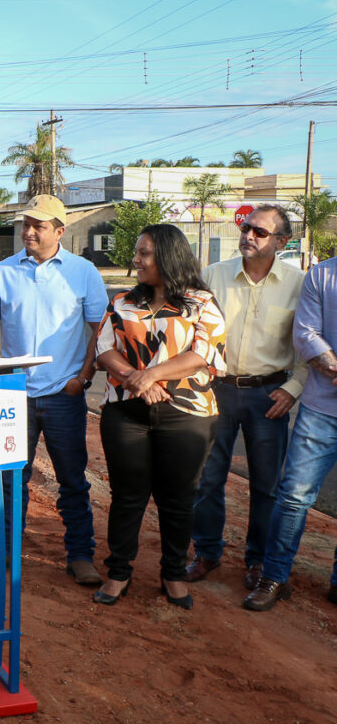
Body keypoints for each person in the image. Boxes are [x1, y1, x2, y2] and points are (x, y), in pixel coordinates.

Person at [0, 194, 109, 585]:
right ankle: (4, 550)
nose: (29, 232)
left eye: (39, 226)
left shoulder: (83, 272)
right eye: (25, 225)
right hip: (15, 395)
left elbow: (99, 330)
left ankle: (80, 556)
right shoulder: (3, 271)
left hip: (64, 396)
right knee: (11, 476)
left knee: (72, 480)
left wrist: (82, 378)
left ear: (60, 231)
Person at [93, 224, 225, 610]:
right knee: (127, 497)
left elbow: (203, 353)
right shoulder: (121, 302)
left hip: (186, 414)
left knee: (178, 500)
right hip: (126, 413)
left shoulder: (201, 302)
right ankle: (118, 572)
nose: (136, 259)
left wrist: (148, 374)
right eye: (137, 252)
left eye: (144, 253)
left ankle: (173, 574)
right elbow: (104, 350)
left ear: (168, 256)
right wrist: (138, 382)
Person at [188, 205, 306, 591]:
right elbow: (193, 330)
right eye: (246, 228)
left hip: (269, 395)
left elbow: (309, 342)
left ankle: (258, 562)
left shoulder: (299, 283)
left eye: (259, 232)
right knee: (207, 478)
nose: (248, 236)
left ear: (281, 242)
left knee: (266, 486)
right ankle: (206, 551)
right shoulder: (213, 275)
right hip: (217, 390)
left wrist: (293, 389)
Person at [243, 254, 337, 611]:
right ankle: (275, 576)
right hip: (321, 408)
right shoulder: (323, 275)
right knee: (295, 495)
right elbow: (306, 333)